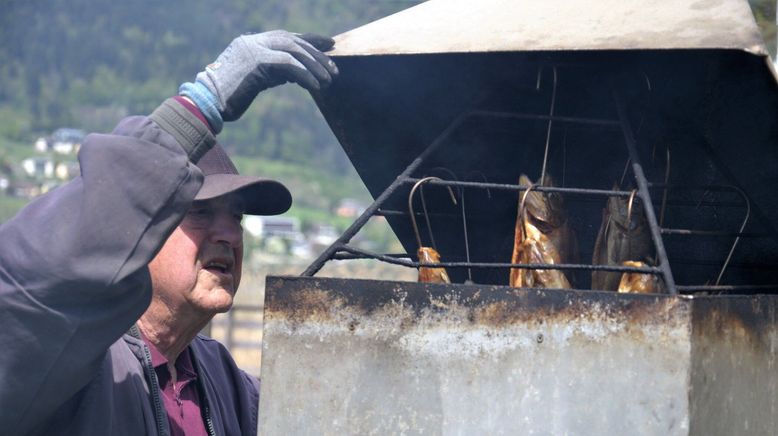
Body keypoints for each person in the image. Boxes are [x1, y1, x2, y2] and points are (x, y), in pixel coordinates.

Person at [0, 30, 338, 435]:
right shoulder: (73, 362)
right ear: (143, 228)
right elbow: (40, 280)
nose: (229, 234)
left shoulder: (224, 382)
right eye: (199, 212)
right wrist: (200, 105)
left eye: (237, 217)